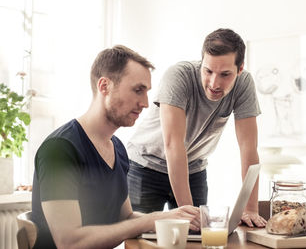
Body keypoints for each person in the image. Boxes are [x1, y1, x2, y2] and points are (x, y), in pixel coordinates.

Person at [31, 45, 200, 249]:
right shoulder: (60, 149)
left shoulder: (117, 148)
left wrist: (170, 218)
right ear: (105, 86)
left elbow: (126, 217)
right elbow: (70, 242)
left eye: (146, 92)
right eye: (138, 90)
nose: (146, 103)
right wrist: (152, 219)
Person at [127, 28, 267, 228]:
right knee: (142, 237)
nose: (214, 83)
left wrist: (251, 208)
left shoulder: (243, 85)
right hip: (146, 166)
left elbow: (248, 148)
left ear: (240, 68)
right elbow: (173, 145)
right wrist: (189, 214)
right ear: (202, 62)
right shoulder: (178, 76)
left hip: (193, 168)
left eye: (225, 74)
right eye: (208, 71)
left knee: (196, 237)